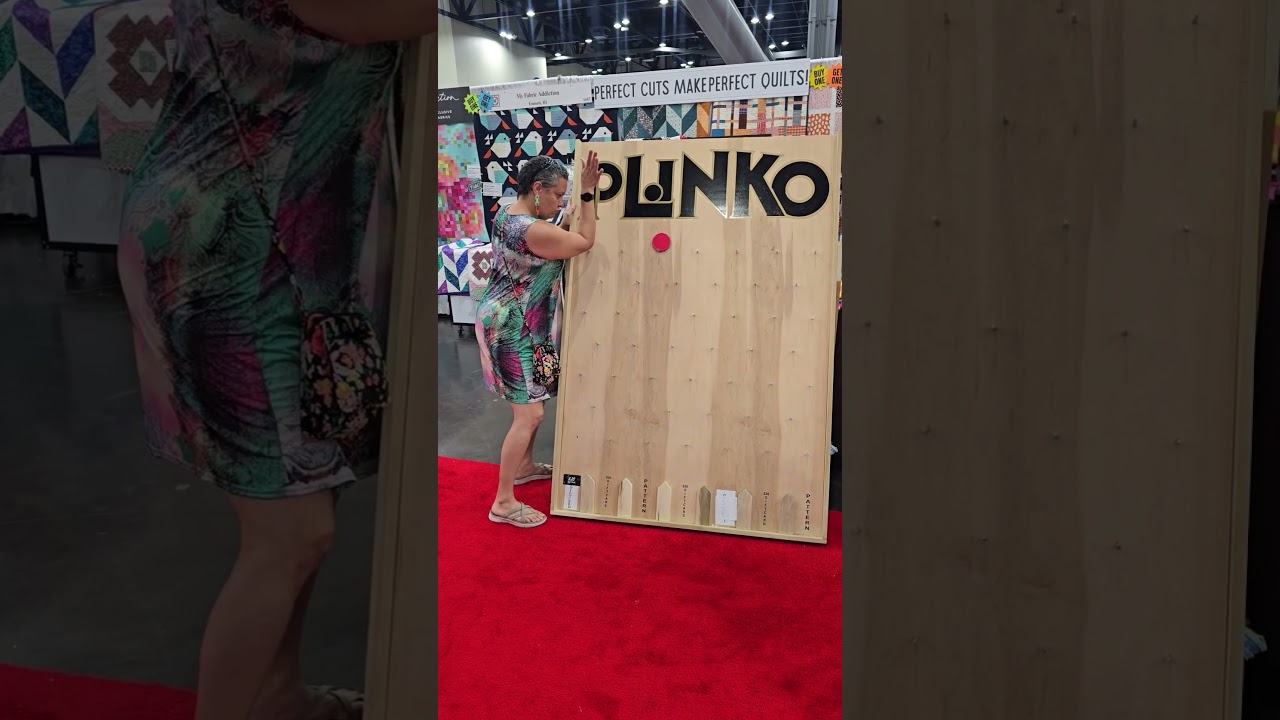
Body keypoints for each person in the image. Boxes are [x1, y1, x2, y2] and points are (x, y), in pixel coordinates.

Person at [115, 2, 433, 719]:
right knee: (292, 534)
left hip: (283, 237)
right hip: (227, 244)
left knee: (309, 506)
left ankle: (276, 698)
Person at [476, 152, 602, 528]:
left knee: (537, 397)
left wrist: (563, 210)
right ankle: (502, 502)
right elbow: (583, 242)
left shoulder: (507, 213)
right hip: (511, 327)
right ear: (537, 189)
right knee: (529, 413)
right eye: (558, 196)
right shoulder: (530, 230)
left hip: (529, 324)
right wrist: (588, 196)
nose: (561, 202)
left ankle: (524, 468)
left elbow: (552, 228)